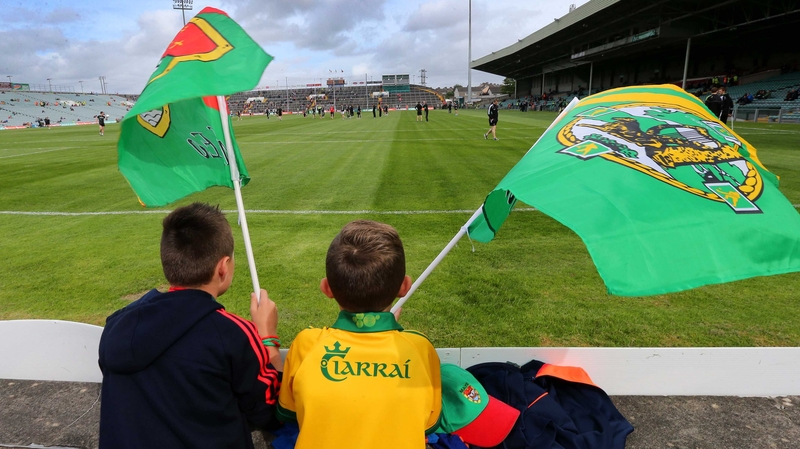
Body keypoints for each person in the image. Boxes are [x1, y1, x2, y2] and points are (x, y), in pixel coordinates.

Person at [98, 203, 282, 449]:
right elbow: (270, 412)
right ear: (223, 267)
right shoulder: (232, 333)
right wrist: (268, 339)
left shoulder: (117, 323)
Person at [277, 220, 442, 449]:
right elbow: (427, 423)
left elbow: (288, 410)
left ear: (327, 288)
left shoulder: (307, 343)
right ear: (405, 287)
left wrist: (268, 338)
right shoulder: (420, 348)